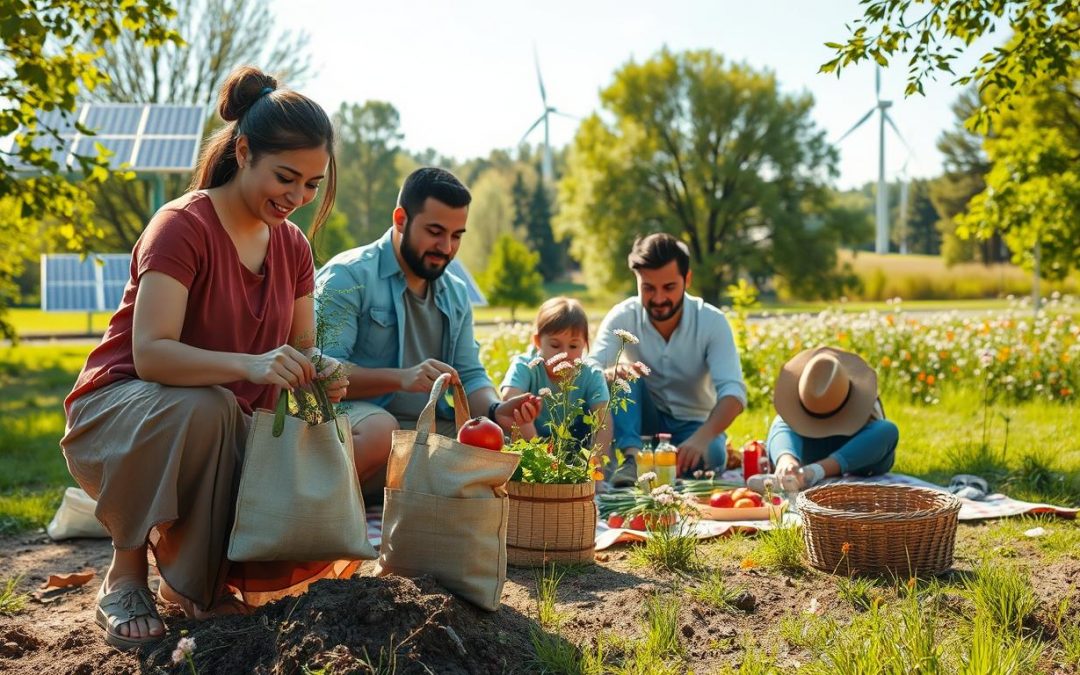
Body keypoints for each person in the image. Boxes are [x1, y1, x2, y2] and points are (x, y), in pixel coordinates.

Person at [60, 67, 351, 649]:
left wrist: (318, 370)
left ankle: (194, 587)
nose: (296, 199)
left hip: (219, 422)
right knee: (210, 407)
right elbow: (151, 355)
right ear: (244, 151)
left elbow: (296, 347)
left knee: (328, 428)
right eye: (286, 177)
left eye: (312, 185)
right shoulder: (182, 226)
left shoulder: (293, 246)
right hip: (119, 415)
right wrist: (248, 365)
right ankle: (125, 576)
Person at [315, 167, 541, 494]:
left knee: (504, 441)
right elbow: (321, 374)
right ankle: (326, 514)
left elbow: (471, 374)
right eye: (435, 231)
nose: (446, 247)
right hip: (356, 427)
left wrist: (495, 410)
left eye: (457, 235)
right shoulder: (347, 277)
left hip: (422, 433)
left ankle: (401, 495)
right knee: (381, 429)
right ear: (400, 219)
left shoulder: (456, 292)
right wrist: (401, 377)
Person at [591, 233, 746, 487]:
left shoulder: (712, 322)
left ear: (687, 279)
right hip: (640, 423)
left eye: (669, 287)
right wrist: (610, 373)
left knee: (713, 455)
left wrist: (702, 438)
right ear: (637, 281)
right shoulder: (622, 317)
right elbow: (591, 368)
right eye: (648, 288)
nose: (659, 298)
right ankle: (632, 460)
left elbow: (734, 393)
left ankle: (657, 467)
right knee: (624, 374)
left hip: (693, 424)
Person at [766, 346, 898, 489]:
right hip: (810, 444)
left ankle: (814, 472)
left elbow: (882, 434)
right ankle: (787, 466)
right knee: (781, 422)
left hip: (859, 454)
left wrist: (818, 469)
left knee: (887, 429)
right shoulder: (803, 413)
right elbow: (782, 427)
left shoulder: (865, 406)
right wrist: (787, 459)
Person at [500, 297, 612, 458]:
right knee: (517, 414)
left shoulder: (591, 373)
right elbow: (509, 400)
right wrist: (542, 457)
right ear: (538, 341)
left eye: (573, 346)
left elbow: (604, 422)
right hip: (529, 446)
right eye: (555, 345)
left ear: (585, 344)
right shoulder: (526, 366)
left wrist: (597, 469)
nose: (564, 353)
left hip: (577, 447)